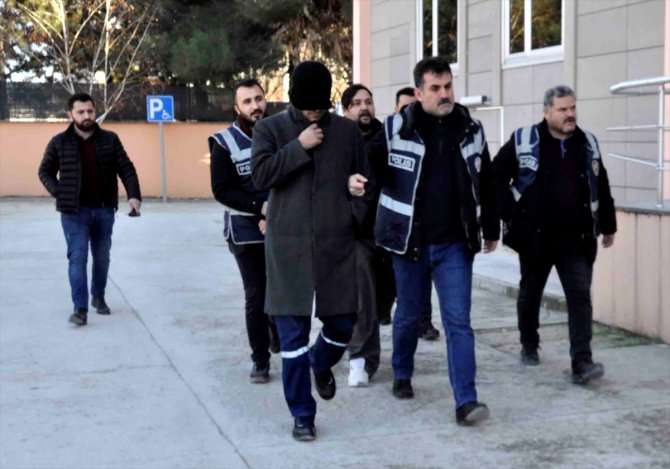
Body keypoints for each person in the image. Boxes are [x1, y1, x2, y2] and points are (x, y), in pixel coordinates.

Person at [352, 57, 499, 426]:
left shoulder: (471, 129)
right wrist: (352, 182)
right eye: (435, 88)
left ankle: (466, 400)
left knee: (458, 322)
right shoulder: (396, 129)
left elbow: (486, 180)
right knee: (407, 315)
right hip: (409, 243)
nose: (444, 94)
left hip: (456, 245)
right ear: (418, 93)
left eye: (448, 86)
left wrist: (491, 227)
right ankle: (402, 372)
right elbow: (366, 168)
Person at [250, 61, 373, 441]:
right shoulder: (269, 129)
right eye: (308, 108)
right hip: (288, 247)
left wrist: (354, 204)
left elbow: (365, 182)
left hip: (336, 245)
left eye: (320, 107)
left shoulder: (348, 132)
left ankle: (321, 363)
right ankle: (302, 414)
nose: (315, 113)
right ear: (293, 99)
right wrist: (298, 146)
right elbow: (261, 176)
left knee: (343, 324)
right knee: (292, 338)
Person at [491, 85, 617, 384]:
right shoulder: (524, 139)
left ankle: (582, 362)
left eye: (573, 107)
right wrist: (512, 213)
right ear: (546, 112)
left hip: (576, 239)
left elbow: (601, 184)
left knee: (580, 296)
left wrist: (608, 225)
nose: (570, 114)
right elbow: (494, 176)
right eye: (563, 109)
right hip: (536, 238)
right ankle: (529, 343)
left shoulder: (587, 143)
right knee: (530, 293)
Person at [38, 93, 141, 326]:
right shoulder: (59, 142)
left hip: (104, 210)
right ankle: (80, 309)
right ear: (70, 114)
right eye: (81, 112)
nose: (86, 116)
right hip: (74, 213)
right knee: (78, 258)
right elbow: (44, 172)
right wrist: (60, 192)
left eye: (90, 111)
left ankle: (98, 296)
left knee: (102, 257)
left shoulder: (110, 139)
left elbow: (126, 168)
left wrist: (134, 196)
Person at [209, 79, 279, 384]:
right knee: (257, 294)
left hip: (280, 222)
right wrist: (260, 208)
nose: (255, 106)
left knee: (282, 290)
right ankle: (260, 360)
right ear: (237, 108)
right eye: (247, 101)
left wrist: (274, 212)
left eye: (258, 99)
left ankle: (278, 332)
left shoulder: (281, 134)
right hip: (245, 230)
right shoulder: (224, 142)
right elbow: (222, 190)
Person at [340, 83, 382, 387]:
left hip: (390, 232)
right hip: (354, 231)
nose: (364, 107)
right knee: (362, 297)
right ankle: (360, 359)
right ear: (346, 110)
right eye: (356, 103)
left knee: (385, 302)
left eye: (368, 101)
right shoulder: (337, 141)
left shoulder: (388, 137)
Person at [394, 87, 441, 341]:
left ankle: (424, 322)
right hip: (394, 227)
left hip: (422, 228)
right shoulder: (389, 135)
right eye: (405, 107)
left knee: (422, 282)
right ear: (396, 110)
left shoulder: (428, 135)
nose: (411, 111)